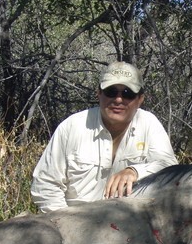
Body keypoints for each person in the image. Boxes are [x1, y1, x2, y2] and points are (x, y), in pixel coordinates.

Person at [31, 61, 178, 213]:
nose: (118, 100)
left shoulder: (149, 124)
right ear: (99, 94)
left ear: (140, 99)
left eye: (128, 94)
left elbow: (169, 166)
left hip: (130, 222)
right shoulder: (71, 127)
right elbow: (45, 184)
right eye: (111, 91)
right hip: (73, 221)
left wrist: (134, 171)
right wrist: (63, 222)